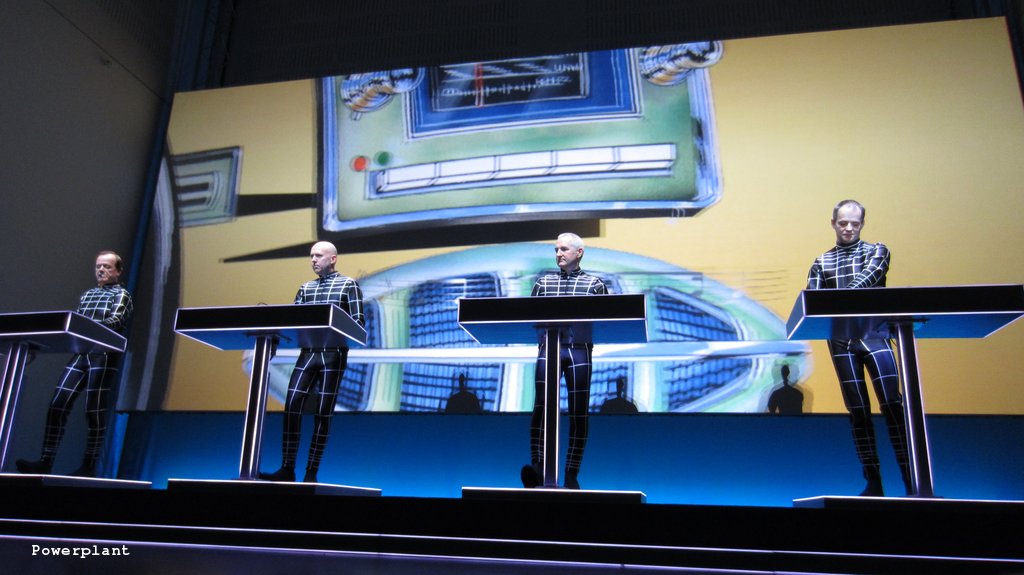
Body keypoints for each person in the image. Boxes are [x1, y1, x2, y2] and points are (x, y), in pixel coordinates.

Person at [806, 200, 911, 497]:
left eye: (855, 223)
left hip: (874, 334)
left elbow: (869, 279)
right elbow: (813, 302)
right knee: (858, 412)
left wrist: (838, 300)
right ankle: (873, 480)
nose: (849, 228)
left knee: (892, 405)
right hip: (841, 340)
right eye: (843, 223)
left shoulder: (877, 250)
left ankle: (911, 478)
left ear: (862, 223)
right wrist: (834, 305)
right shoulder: (821, 262)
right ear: (833, 223)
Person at [16, 251, 133, 477]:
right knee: (58, 404)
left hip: (104, 355)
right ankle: (45, 461)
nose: (101, 270)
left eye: (107, 267)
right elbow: (76, 322)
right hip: (82, 353)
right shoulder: (87, 295)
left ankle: (89, 466)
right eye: (98, 266)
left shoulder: (122, 295)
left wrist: (88, 327)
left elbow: (116, 320)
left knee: (93, 410)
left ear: (118, 271)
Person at [259, 241, 364, 483]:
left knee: (323, 413)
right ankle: (287, 468)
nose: (314, 260)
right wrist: (275, 339)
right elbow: (293, 322)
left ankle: (311, 473)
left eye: (318, 255)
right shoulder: (305, 288)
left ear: (333, 258)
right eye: (311, 256)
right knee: (292, 405)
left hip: (333, 353)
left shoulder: (348, 285)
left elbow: (358, 324)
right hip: (308, 352)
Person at [521, 232, 607, 490]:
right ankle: (538, 466)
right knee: (541, 406)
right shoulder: (543, 283)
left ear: (579, 252)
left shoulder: (594, 285)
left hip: (579, 350)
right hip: (549, 348)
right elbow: (529, 319)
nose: (558, 253)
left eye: (564, 249)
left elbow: (606, 321)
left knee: (579, 412)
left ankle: (571, 473)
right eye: (556, 249)